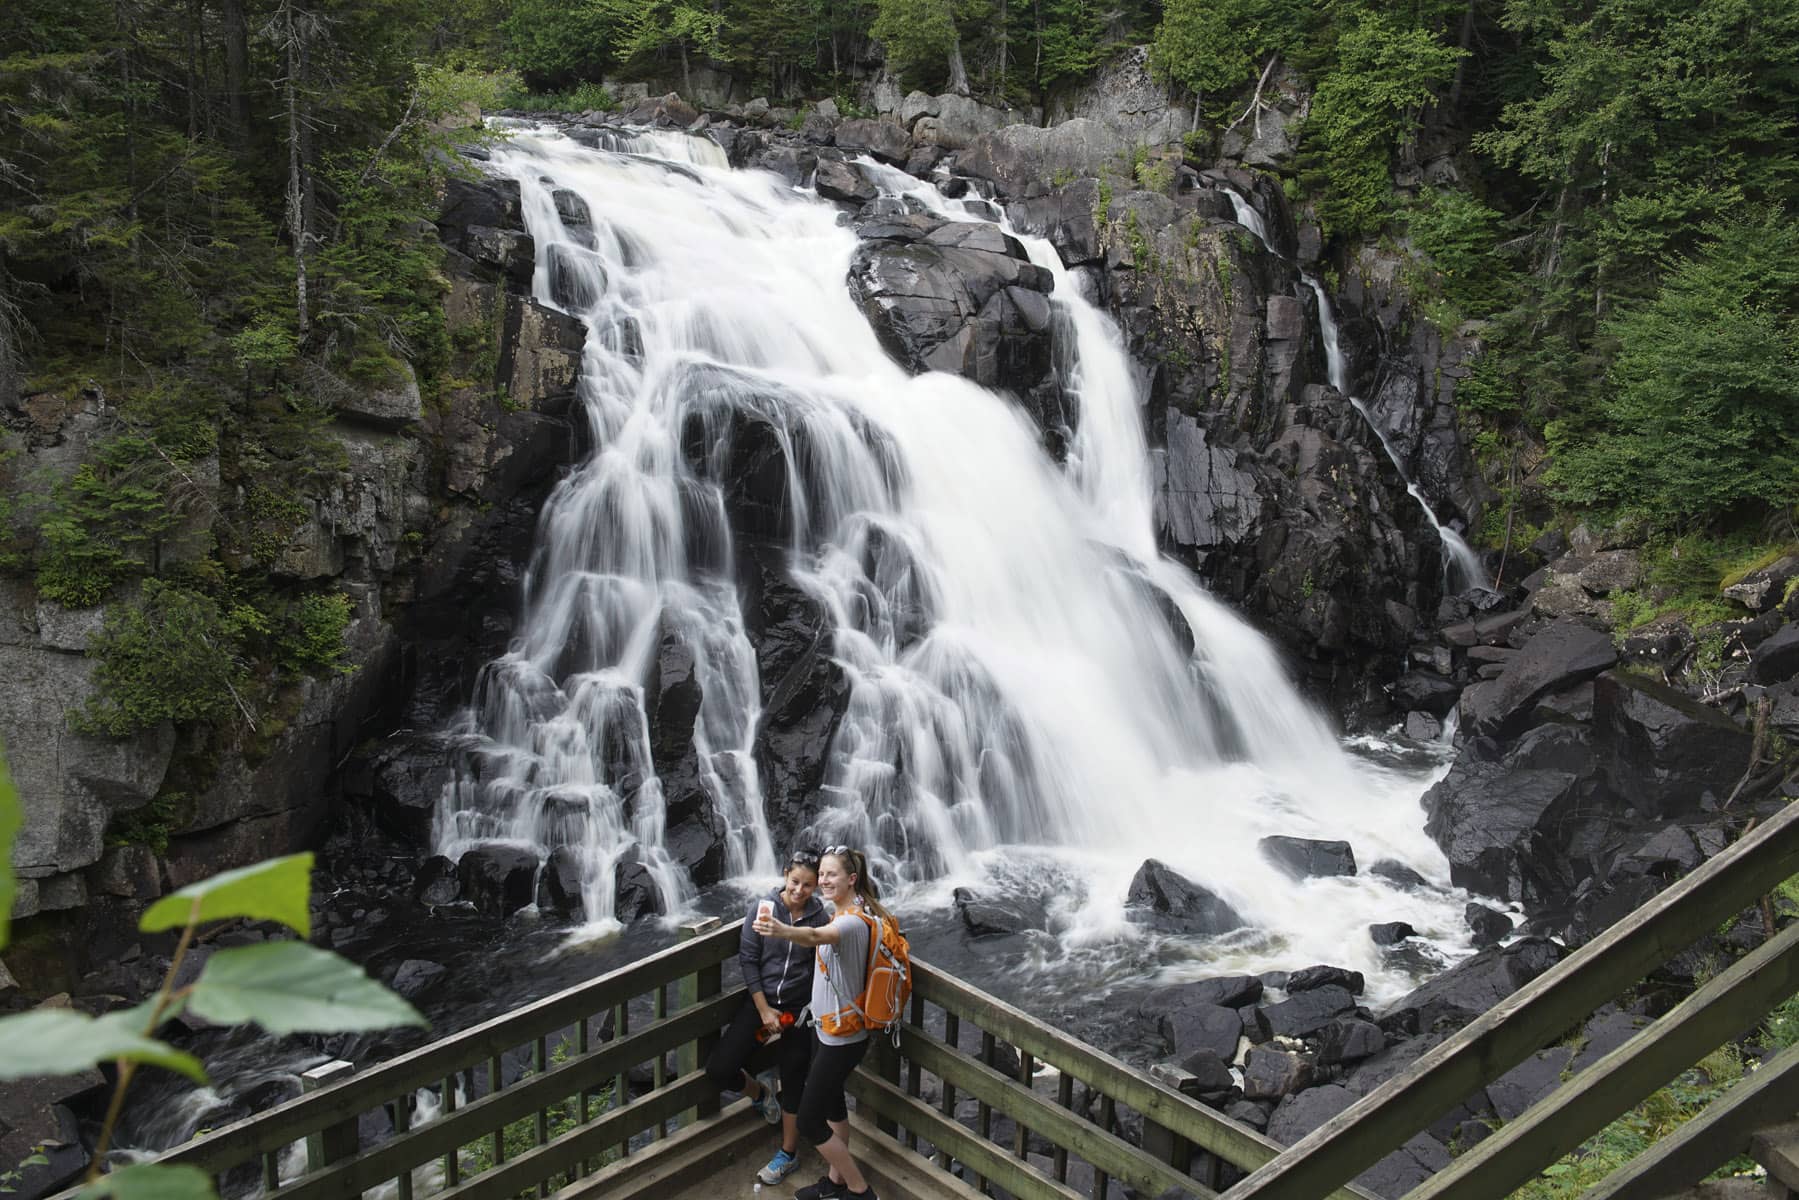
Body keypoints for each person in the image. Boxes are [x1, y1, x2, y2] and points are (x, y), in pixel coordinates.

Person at [754, 845, 892, 1200]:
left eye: (832, 875)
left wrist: (781, 930)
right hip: (827, 1028)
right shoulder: (843, 911)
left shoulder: (849, 922)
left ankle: (860, 1191)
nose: (825, 880)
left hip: (843, 1038)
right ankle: (835, 1183)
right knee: (833, 1106)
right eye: (823, 875)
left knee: (809, 1121)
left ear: (852, 879)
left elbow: (816, 937)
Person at [705, 850, 830, 1185]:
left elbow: (822, 963)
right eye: (795, 882)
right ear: (785, 875)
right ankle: (760, 1094)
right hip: (760, 1001)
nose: (800, 890)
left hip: (799, 1009)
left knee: (794, 1077)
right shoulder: (763, 909)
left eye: (807, 885)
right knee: (720, 1067)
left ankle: (787, 1154)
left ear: (816, 886)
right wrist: (763, 1010)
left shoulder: (819, 917)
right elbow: (748, 959)